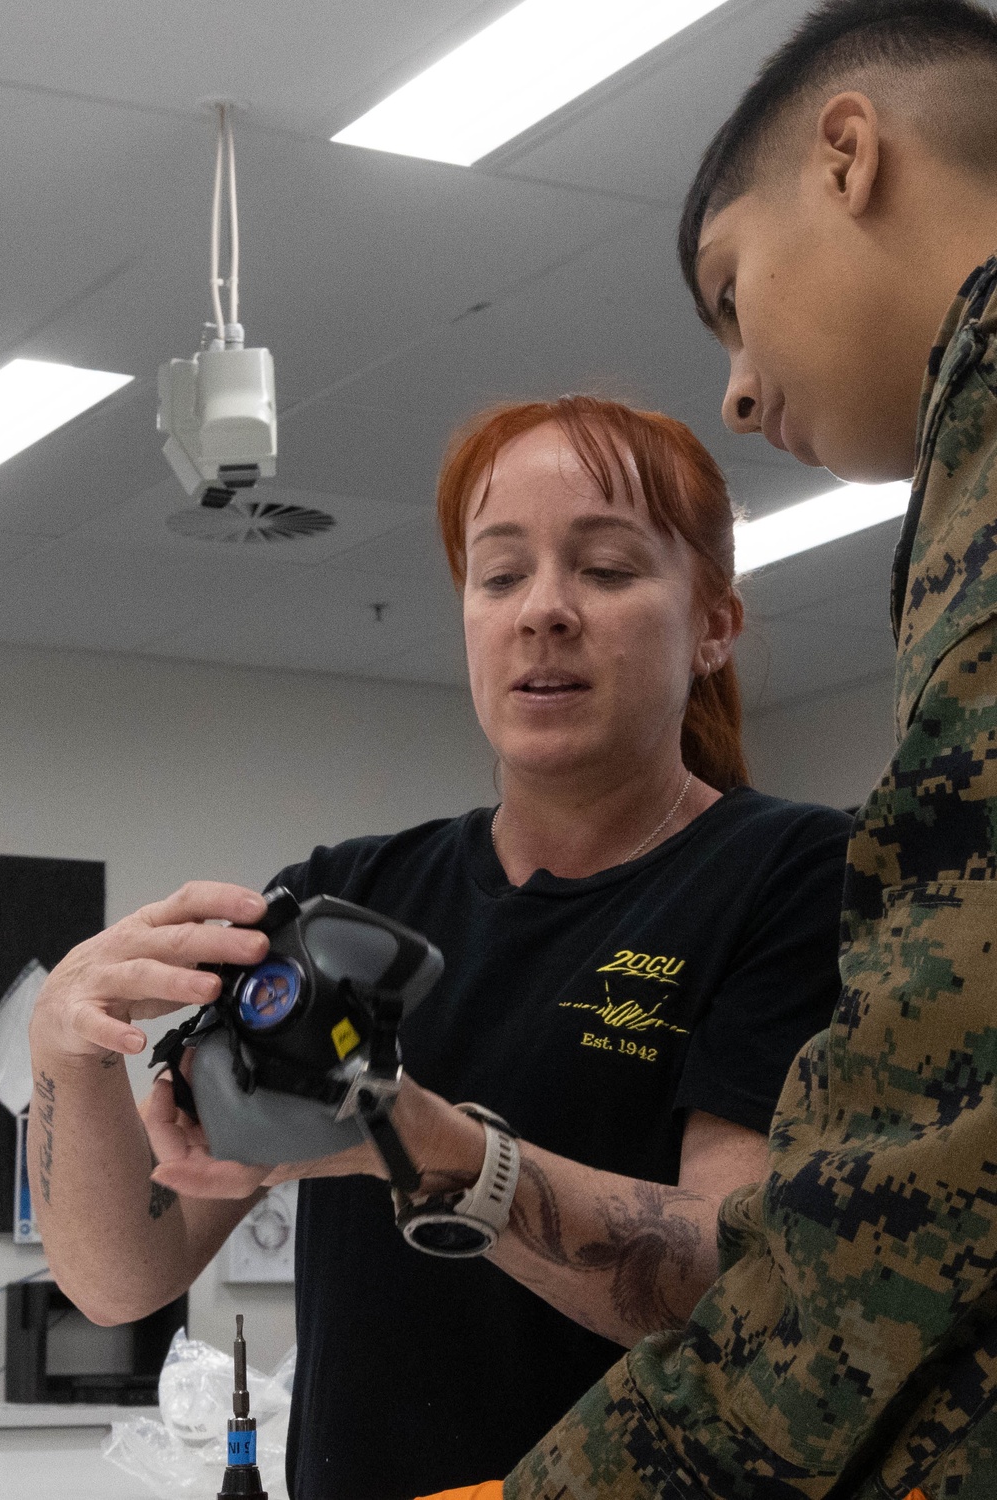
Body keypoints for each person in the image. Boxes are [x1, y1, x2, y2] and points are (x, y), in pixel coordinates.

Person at [28, 397, 851, 1500]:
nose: (543, 612)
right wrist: (64, 1053)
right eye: (500, 576)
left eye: (605, 570)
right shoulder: (340, 895)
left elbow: (736, 1283)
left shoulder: (795, 875)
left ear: (713, 624)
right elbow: (123, 1276)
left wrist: (420, 1144)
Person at [485, 4, 997, 1500]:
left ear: (849, 155)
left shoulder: (776, 872)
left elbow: (918, 1157)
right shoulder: (367, 881)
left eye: (732, 294)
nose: (740, 385)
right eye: (497, 573)